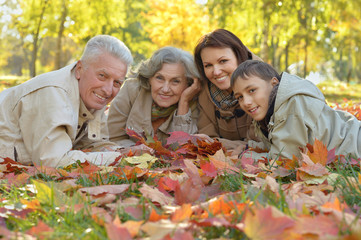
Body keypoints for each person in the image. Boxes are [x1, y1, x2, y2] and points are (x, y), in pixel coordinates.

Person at [0, 35, 133, 167]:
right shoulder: (53, 94)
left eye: (117, 82)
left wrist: (125, 152)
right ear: (80, 69)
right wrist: (118, 158)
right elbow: (54, 162)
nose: (108, 90)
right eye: (102, 76)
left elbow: (92, 143)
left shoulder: (93, 97)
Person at [231, 59, 361, 160]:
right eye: (240, 97)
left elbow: (285, 159)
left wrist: (244, 157)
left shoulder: (291, 106)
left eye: (252, 90)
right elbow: (279, 143)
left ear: (274, 83)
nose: (246, 102)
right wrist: (250, 147)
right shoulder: (271, 110)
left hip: (354, 143)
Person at [107, 46, 200, 147]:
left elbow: (184, 149)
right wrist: (140, 152)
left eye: (175, 81)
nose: (165, 89)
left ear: (188, 84)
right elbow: (112, 137)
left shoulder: (192, 102)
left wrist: (184, 103)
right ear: (150, 77)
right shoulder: (131, 90)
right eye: (160, 78)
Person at [193, 29, 261, 151]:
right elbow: (206, 140)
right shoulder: (204, 92)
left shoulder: (263, 87)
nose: (216, 72)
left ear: (239, 57)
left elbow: (257, 144)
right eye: (208, 65)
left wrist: (218, 143)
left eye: (223, 61)